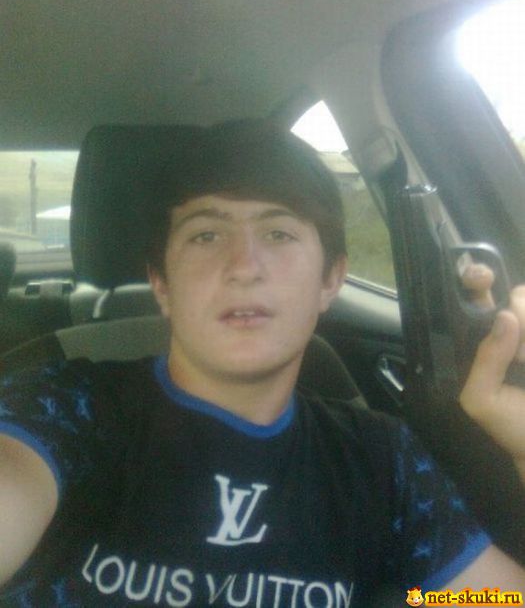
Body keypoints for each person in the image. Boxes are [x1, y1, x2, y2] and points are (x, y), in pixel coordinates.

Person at [0, 118, 524, 606]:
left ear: (331, 280)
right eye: (206, 235)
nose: (244, 266)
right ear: (162, 284)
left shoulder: (383, 462)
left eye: (279, 233)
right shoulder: (64, 408)